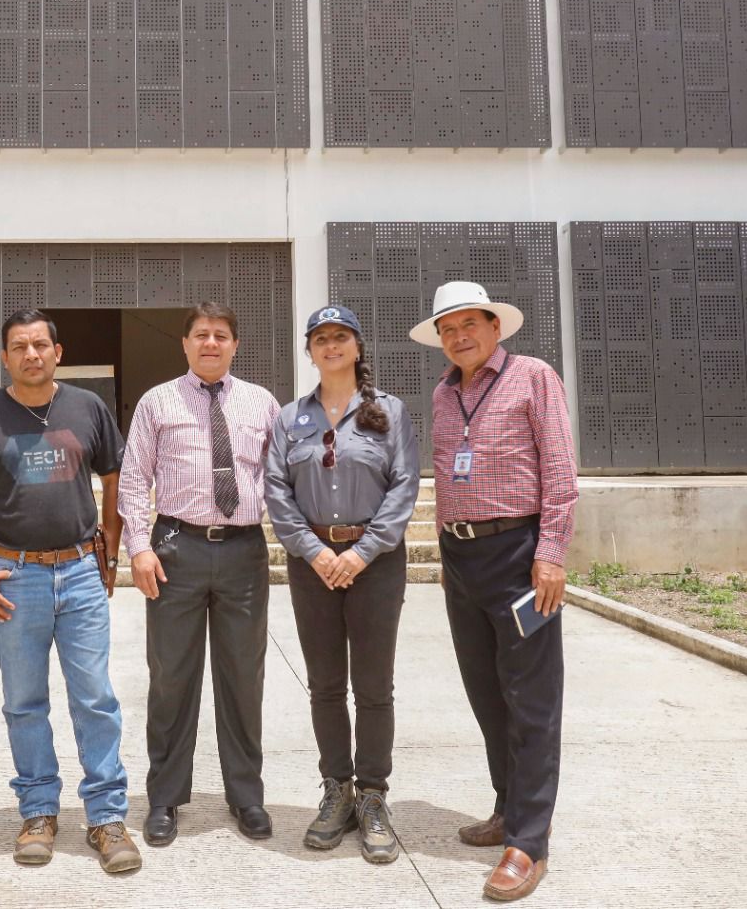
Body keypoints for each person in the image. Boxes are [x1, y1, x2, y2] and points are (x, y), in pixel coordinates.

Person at [0, 309, 141, 875]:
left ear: (58, 352)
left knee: (95, 697)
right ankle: (37, 811)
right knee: (24, 700)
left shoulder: (88, 407)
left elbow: (115, 478)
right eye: (19, 346)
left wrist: (110, 549)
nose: (31, 354)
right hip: (12, 576)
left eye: (40, 345)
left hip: (79, 570)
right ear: (4, 357)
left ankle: (106, 816)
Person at [410, 281, 577, 903]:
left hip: (519, 556)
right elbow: (444, 475)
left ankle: (529, 842)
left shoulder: (533, 377)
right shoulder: (444, 392)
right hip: (463, 559)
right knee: (487, 693)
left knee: (531, 699)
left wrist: (551, 554)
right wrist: (445, 552)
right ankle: (509, 808)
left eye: (469, 325)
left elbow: (559, 469)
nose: (459, 337)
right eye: (448, 329)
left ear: (494, 327)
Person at [118, 302, 281, 847]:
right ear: (185, 343)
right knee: (171, 678)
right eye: (201, 335)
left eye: (221, 335)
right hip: (176, 549)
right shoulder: (157, 401)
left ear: (235, 344)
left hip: (243, 552)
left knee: (244, 678)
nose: (211, 343)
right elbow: (134, 479)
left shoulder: (262, 403)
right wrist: (140, 548)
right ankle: (164, 797)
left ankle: (246, 796)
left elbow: (278, 478)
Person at [265, 305, 421, 864]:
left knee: (374, 686)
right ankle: (338, 792)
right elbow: (276, 490)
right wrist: (314, 552)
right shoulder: (290, 418)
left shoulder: (389, 412)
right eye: (320, 339)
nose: (331, 346)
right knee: (326, 685)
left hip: (374, 563)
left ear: (357, 347)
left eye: (340, 337)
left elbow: (404, 485)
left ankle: (373, 795)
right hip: (312, 566)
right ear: (309, 351)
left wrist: (361, 552)